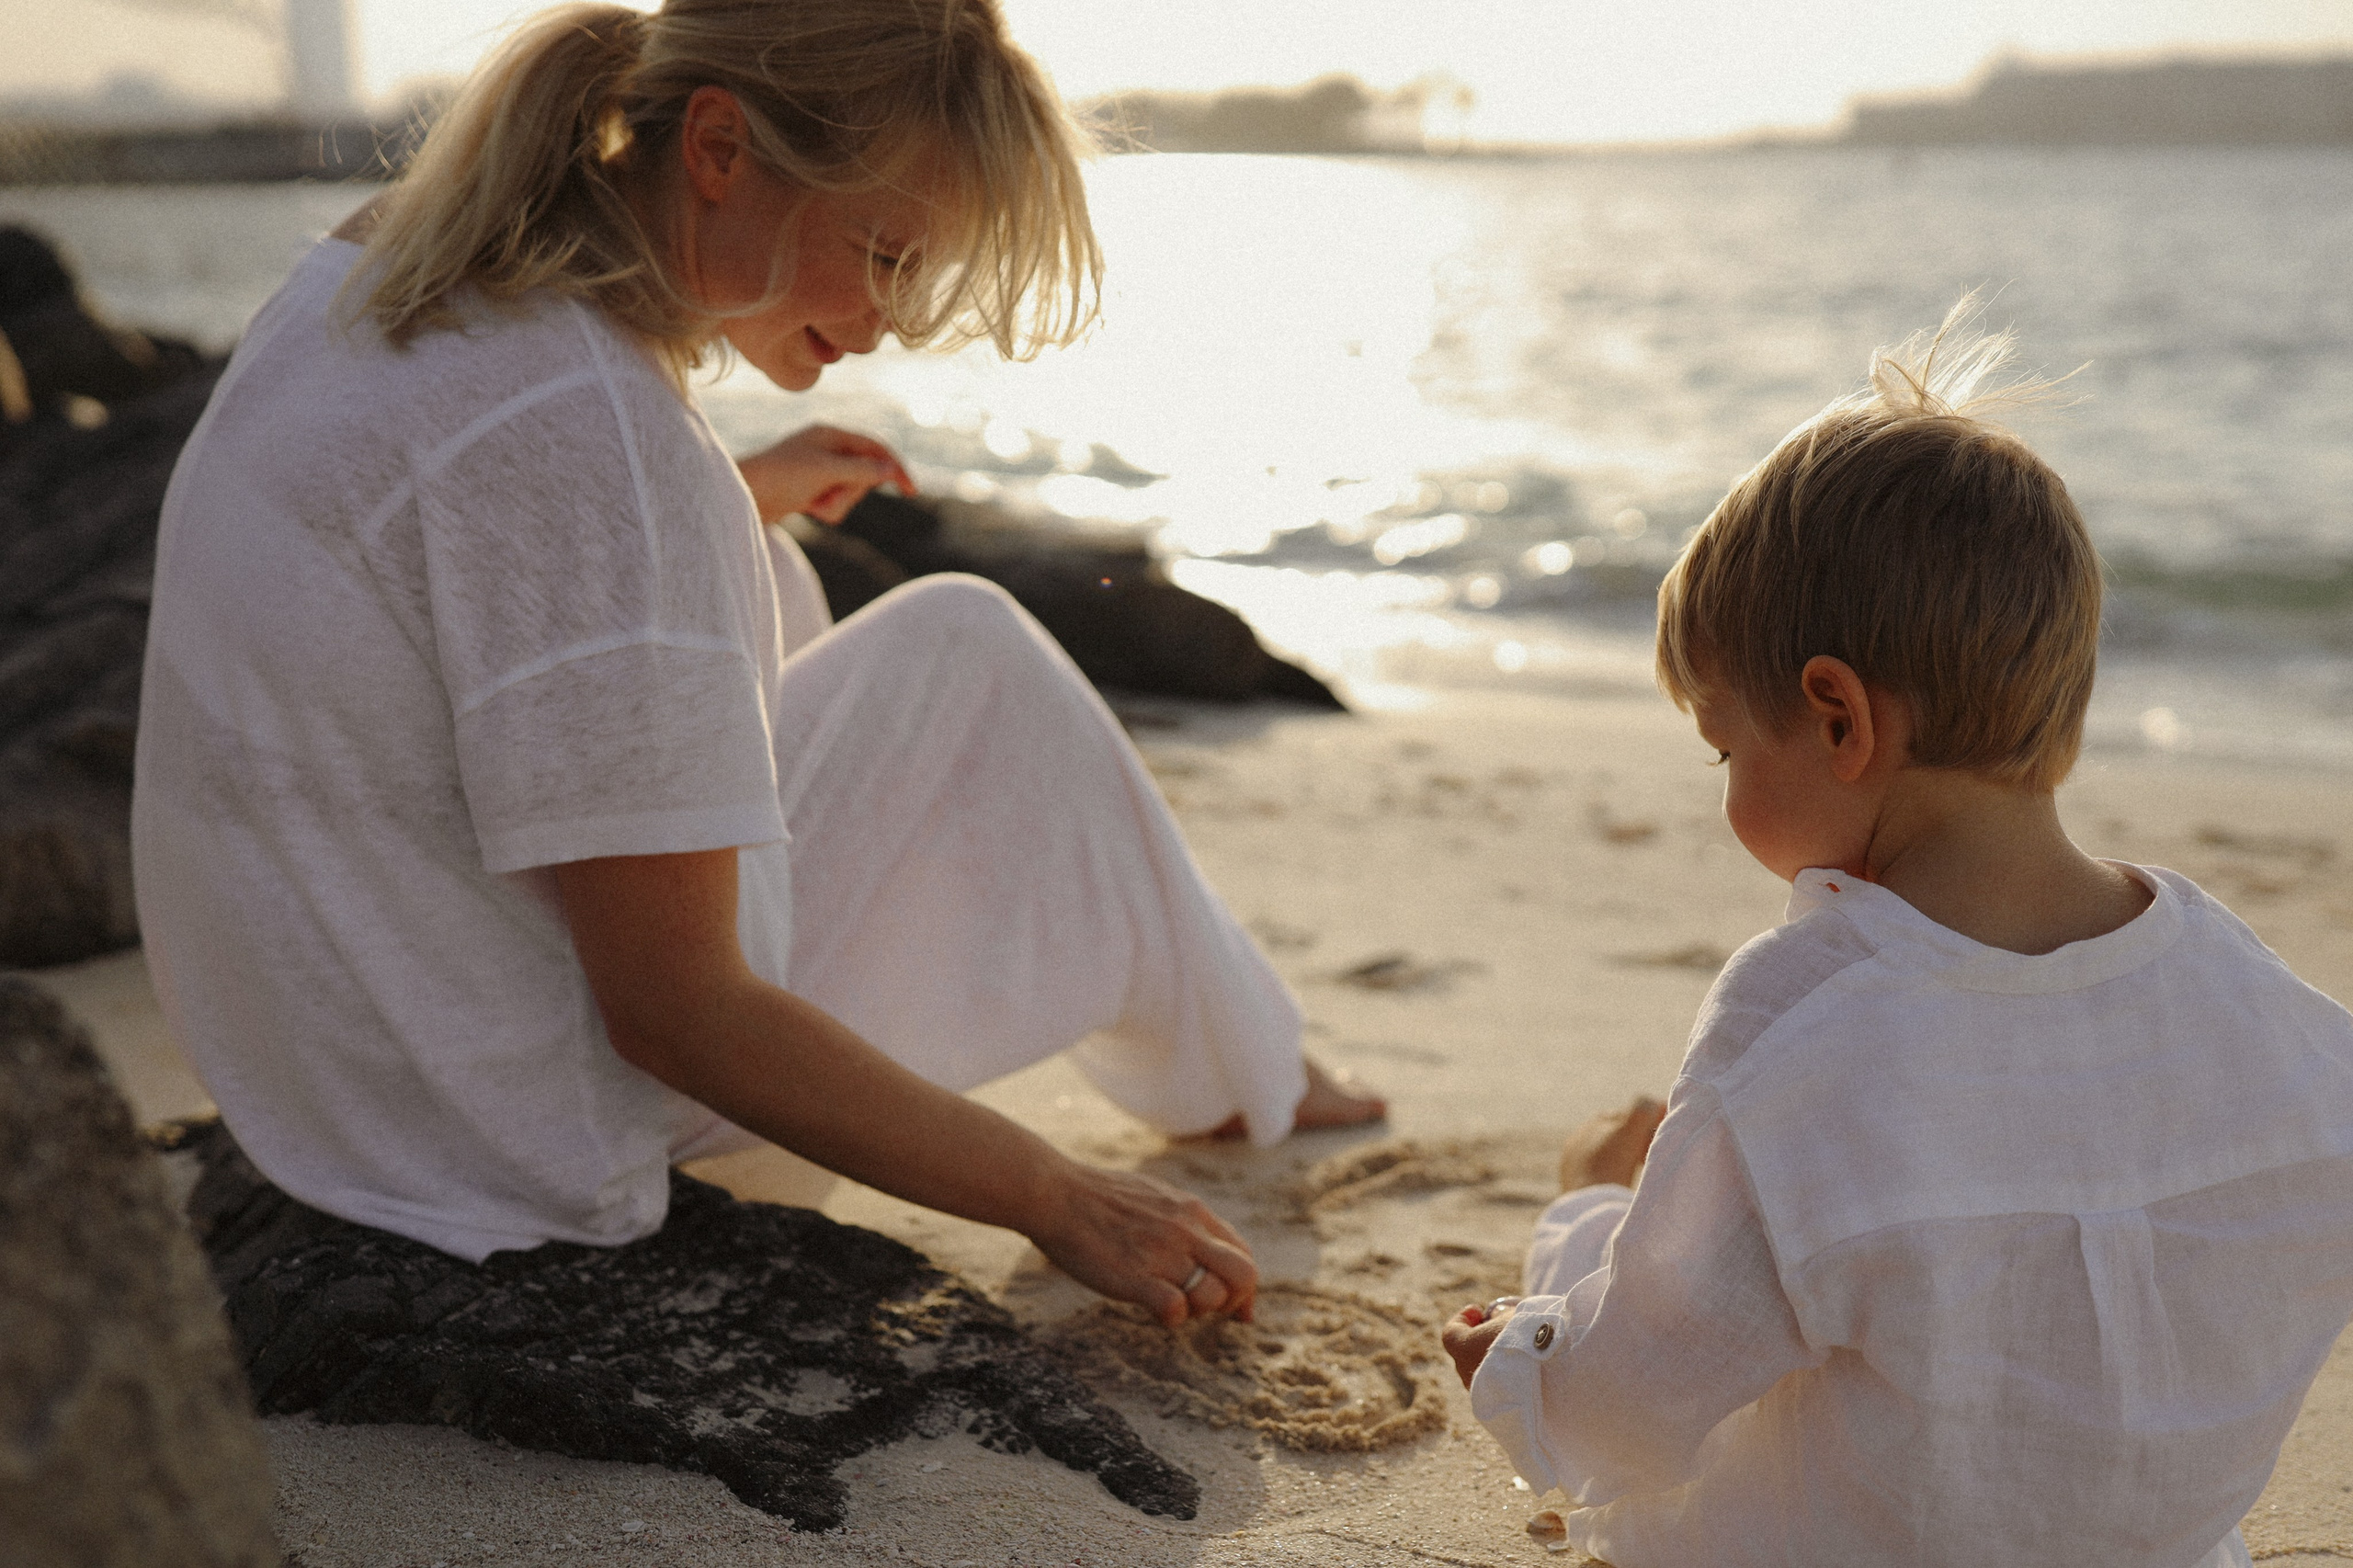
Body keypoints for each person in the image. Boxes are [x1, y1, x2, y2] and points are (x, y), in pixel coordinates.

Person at [131, 0, 1380, 1334]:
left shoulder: (387, 269)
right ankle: (1255, 1070)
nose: (892, 318)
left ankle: (1245, 1046)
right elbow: (678, 1013)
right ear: (719, 148)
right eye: (885, 252)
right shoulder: (591, 429)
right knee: (969, 656)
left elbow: (485, 552)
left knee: (832, 605)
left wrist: (727, 501)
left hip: (325, 1058)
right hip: (489, 1128)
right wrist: (1055, 1195)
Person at [1439, 308, 2353, 1567]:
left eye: (1724, 747)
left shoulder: (1807, 1022)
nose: (1721, 791)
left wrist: (1549, 1302)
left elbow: (1634, 1405)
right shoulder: (2259, 1006)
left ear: (1837, 719)